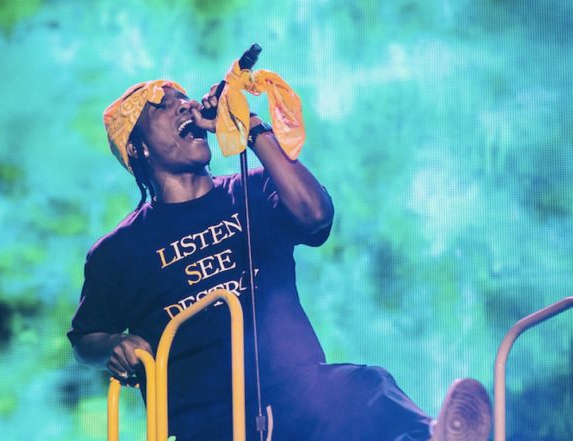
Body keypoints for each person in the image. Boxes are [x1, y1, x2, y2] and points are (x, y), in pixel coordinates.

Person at [67, 80, 492, 441]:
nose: (185, 105)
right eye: (163, 105)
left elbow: (315, 215)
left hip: (297, 393)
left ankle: (434, 437)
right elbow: (86, 337)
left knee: (367, 387)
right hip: (206, 420)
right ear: (137, 147)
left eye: (185, 97)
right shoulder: (118, 250)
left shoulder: (253, 188)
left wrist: (250, 128)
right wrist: (113, 346)